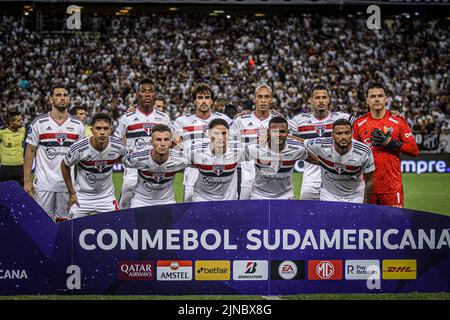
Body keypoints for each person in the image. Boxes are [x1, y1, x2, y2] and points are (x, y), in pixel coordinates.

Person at [24, 85, 85, 221]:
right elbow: (30, 151)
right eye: (58, 95)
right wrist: (27, 181)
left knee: (64, 223)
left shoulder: (77, 125)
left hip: (67, 186)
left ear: (69, 99)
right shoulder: (39, 123)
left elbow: (81, 156)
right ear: (51, 100)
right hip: (43, 185)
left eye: (65, 95)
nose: (62, 98)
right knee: (41, 222)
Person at [353, 82, 419, 208]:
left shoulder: (398, 121)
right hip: (367, 188)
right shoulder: (359, 124)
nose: (377, 99)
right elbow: (353, 154)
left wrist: (391, 143)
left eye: (380, 95)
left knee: (395, 226)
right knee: (369, 226)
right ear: (367, 100)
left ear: (385, 99)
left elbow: (414, 150)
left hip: (392, 187)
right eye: (372, 96)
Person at [288, 85, 356, 201]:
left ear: (328, 100)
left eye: (324, 97)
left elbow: (364, 124)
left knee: (331, 216)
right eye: (317, 97)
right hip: (310, 181)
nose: (321, 101)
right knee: (308, 215)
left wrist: (392, 115)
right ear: (311, 100)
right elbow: (279, 129)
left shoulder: (341, 118)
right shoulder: (299, 121)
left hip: (334, 180)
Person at [114, 78, 171, 209]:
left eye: (150, 91)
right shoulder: (127, 118)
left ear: (154, 95)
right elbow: (117, 143)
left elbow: (170, 141)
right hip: (133, 171)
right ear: (137, 94)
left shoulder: (163, 118)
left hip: (157, 170)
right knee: (124, 209)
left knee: (157, 209)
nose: (147, 94)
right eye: (143, 91)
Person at [170, 83, 232, 202]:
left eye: (207, 97)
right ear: (194, 101)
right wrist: (180, 147)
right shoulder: (182, 121)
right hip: (192, 174)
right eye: (200, 98)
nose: (204, 101)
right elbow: (164, 131)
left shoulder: (224, 120)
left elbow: (239, 130)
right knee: (190, 215)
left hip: (218, 174)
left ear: (212, 101)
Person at [61, 113, 127, 219]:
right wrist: (71, 193)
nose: (102, 132)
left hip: (106, 197)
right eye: (98, 128)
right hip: (82, 197)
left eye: (106, 129)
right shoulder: (79, 148)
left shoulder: (118, 146)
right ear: (92, 130)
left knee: (115, 229)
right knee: (72, 231)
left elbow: (126, 158)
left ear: (110, 130)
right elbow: (64, 165)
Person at [305, 119, 375, 203]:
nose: (344, 137)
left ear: (352, 134)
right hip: (328, 195)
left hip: (355, 195)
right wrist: (320, 161)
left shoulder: (364, 151)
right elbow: (300, 145)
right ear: (332, 135)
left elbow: (369, 180)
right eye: (339, 133)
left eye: (347, 133)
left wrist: (365, 204)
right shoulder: (320, 144)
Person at [246, 116, 316, 199]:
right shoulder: (253, 148)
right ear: (268, 132)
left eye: (282, 131)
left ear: (288, 132)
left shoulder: (297, 149)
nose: (278, 135)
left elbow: (319, 161)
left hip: (286, 196)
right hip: (259, 195)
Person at [123, 124, 188, 208]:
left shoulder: (180, 160)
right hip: (141, 202)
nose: (162, 144)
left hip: (167, 202)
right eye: (158, 140)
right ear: (151, 142)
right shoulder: (137, 158)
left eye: (166, 139)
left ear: (171, 142)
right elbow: (119, 158)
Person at [185, 118, 246, 202]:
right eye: (216, 133)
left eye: (224, 133)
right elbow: (176, 162)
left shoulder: (239, 149)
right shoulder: (195, 152)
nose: (220, 137)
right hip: (202, 198)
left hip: (229, 199)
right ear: (209, 135)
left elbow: (261, 155)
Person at [231, 84, 275, 200]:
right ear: (254, 99)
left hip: (271, 180)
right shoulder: (240, 120)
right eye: (260, 96)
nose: (263, 100)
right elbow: (230, 147)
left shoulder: (278, 122)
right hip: (246, 180)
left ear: (272, 99)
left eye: (267, 96)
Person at [0, 111, 26, 186]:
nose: (22, 122)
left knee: (20, 193)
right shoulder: (2, 132)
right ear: (11, 124)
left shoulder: (22, 130)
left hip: (20, 168)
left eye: (21, 119)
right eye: (19, 121)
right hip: (6, 169)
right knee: (6, 193)